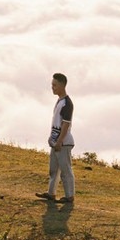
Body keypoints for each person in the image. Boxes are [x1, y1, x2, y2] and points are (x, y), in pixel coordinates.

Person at [38, 72, 76, 205]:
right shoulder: (60, 101)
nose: (52, 88)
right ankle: (51, 193)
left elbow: (66, 124)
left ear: (62, 85)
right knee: (53, 169)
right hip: (56, 141)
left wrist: (59, 141)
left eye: (54, 85)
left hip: (63, 142)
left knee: (65, 170)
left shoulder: (67, 103)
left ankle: (69, 196)